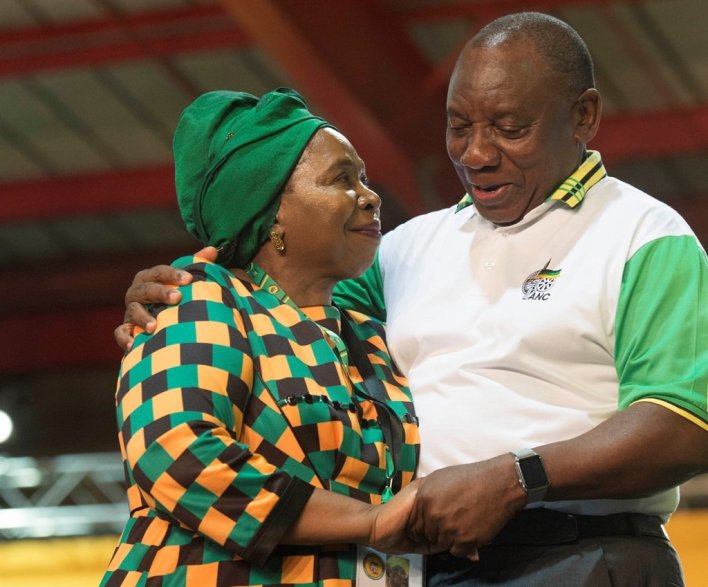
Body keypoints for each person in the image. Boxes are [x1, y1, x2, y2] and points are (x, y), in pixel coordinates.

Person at [116, 12, 708, 587]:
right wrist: (176, 291)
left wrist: (517, 478)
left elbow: (686, 425)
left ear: (584, 115)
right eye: (459, 126)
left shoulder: (642, 235)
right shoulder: (406, 249)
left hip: (578, 554)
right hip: (420, 561)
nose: (476, 153)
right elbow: (274, 296)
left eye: (509, 127)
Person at [102, 88, 432, 587]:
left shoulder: (371, 337)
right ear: (271, 209)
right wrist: (370, 522)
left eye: (363, 178)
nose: (370, 195)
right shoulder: (202, 299)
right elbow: (175, 451)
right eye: (342, 179)